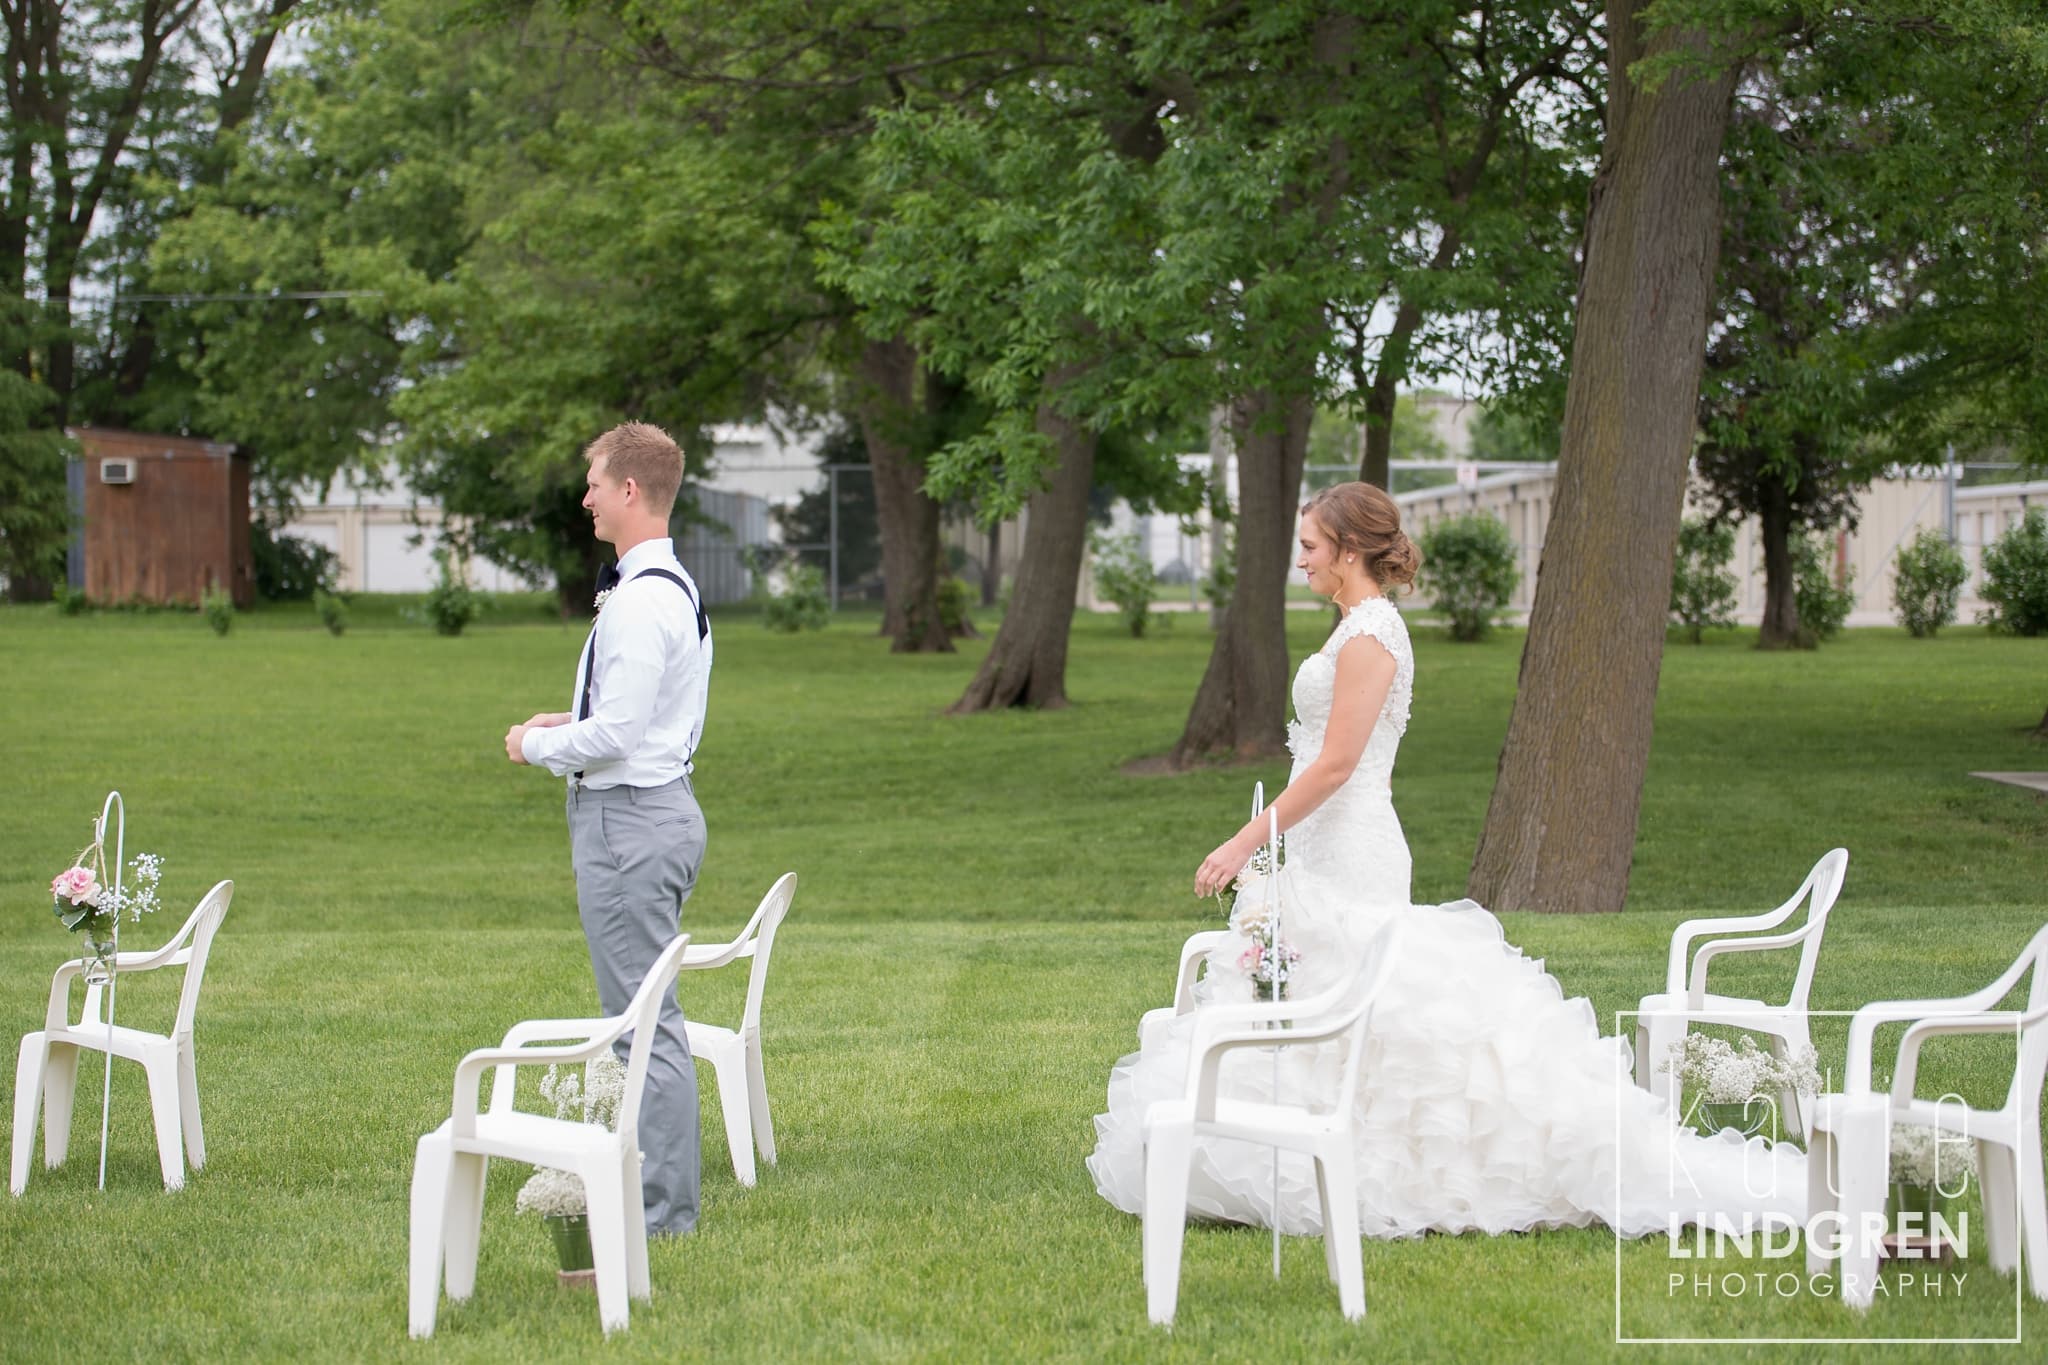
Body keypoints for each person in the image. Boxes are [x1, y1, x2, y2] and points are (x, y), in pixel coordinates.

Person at [1086, 481, 1804, 1239]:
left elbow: (1336, 767)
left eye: (1309, 547)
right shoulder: (1353, 628)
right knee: (1309, 989)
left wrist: (1244, 842)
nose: (1300, 560)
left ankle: (1390, 1162)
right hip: (1328, 841)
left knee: (1361, 995)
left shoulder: (1371, 636)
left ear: (1350, 549)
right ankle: (1289, 1146)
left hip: (1352, 848)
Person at [504, 421, 713, 1238]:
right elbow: (644, 715)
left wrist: (537, 743)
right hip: (656, 809)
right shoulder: (673, 589)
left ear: (631, 491)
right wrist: (575, 719)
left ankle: (661, 1218)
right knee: (647, 1016)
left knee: (642, 1026)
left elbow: (620, 737)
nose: (584, 495)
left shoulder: (639, 601)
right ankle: (658, 1197)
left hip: (629, 823)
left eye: (594, 481)